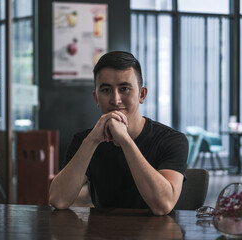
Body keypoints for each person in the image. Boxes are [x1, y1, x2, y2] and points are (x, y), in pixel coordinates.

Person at [49, 51, 188, 215]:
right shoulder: (84, 141)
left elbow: (163, 205)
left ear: (141, 95)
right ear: (96, 98)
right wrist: (92, 140)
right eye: (106, 90)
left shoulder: (172, 140)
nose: (115, 100)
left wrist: (125, 140)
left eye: (124, 89)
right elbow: (58, 199)